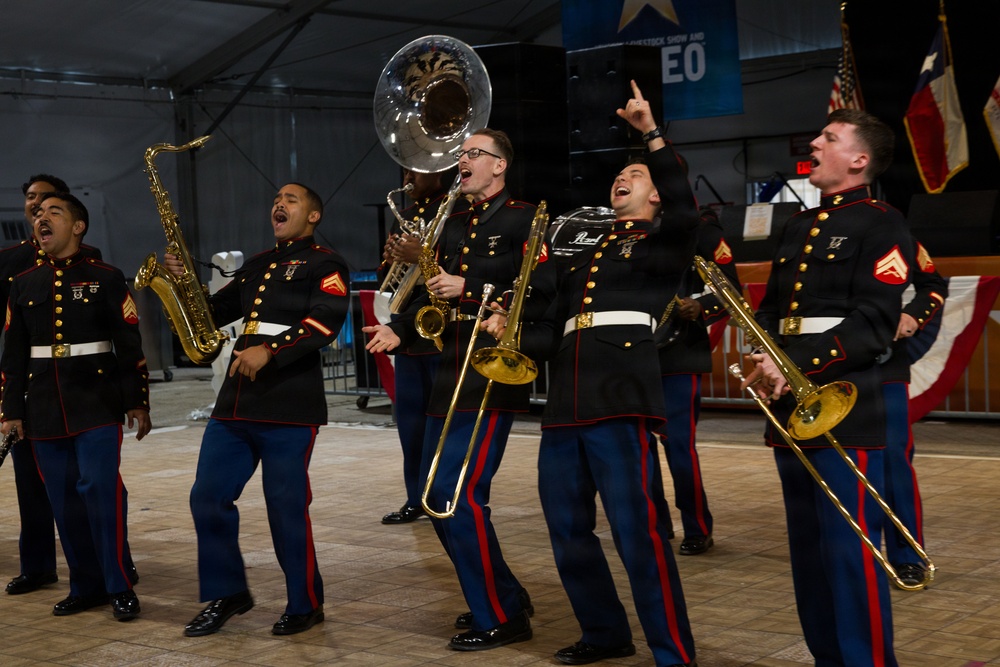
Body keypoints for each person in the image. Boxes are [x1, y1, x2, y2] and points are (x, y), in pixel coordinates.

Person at [519, 80, 699, 667]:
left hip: (621, 400)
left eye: (638, 176)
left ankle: (673, 653)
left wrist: (650, 136)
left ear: (657, 198)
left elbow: (683, 196)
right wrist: (510, 333)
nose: (623, 179)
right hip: (566, 406)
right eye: (619, 174)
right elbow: (549, 328)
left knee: (639, 536)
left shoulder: (663, 243)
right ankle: (603, 632)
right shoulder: (582, 252)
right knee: (568, 533)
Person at [363, 128, 551, 651]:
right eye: (462, 153)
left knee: (456, 495)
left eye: (474, 154)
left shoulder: (527, 217)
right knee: (433, 496)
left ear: (500, 166)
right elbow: (427, 289)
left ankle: (501, 614)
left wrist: (468, 287)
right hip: (449, 370)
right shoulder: (454, 222)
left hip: (490, 373)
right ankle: (502, 596)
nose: (463, 160)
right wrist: (398, 328)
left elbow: (542, 293)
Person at [742, 108, 912, 666]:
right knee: (808, 551)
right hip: (791, 403)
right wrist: (760, 354)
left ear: (859, 160)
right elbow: (771, 310)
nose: (814, 142)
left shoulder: (882, 222)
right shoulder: (796, 225)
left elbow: (871, 323)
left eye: (829, 138)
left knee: (847, 551)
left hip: (845, 400)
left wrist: (797, 362)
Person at [172, 182, 351, 637]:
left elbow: (324, 321)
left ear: (313, 216)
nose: (279, 203)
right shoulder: (256, 266)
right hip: (236, 403)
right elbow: (210, 312)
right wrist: (179, 286)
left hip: (289, 402)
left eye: (291, 200)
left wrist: (270, 350)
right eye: (276, 198)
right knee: (207, 498)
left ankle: (305, 603)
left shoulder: (324, 263)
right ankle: (228, 592)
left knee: (285, 507)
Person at [0, 192, 150, 621]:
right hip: (44, 408)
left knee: (101, 494)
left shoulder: (106, 277)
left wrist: (137, 400)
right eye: (37, 214)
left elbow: (129, 345)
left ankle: (119, 585)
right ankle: (86, 587)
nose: (41, 219)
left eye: (54, 212)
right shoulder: (24, 283)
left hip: (97, 405)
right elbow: (13, 356)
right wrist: (10, 410)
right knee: (64, 503)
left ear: (78, 226)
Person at [652, 205, 739, 557]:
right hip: (635, 351)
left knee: (678, 446)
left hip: (679, 350)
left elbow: (729, 286)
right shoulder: (629, 229)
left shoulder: (702, 230)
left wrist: (700, 304)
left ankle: (697, 527)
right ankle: (654, 523)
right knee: (638, 446)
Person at [378, 168, 452, 525]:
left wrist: (419, 254)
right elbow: (387, 280)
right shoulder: (404, 217)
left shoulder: (453, 212)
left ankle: (443, 494)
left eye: (417, 169)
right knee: (409, 423)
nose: (408, 174)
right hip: (408, 331)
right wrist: (391, 258)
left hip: (439, 330)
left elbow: (449, 267)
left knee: (441, 424)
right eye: (405, 167)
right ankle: (415, 497)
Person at [881, 237, 946, 587]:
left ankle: (907, 556)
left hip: (884, 361)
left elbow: (932, 285)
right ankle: (846, 553)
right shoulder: (803, 230)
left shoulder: (891, 227)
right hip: (825, 363)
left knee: (893, 462)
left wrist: (912, 314)